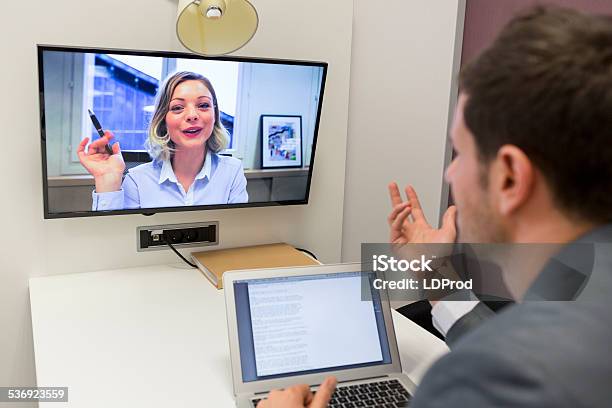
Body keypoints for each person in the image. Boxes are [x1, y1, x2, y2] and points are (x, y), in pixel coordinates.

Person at [259, 6, 612, 407]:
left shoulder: (479, 383)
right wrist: (435, 274)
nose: (450, 175)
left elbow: (507, 368)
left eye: (458, 152)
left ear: (510, 176)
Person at [77, 71, 248, 211]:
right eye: (177, 108)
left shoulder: (232, 172)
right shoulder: (138, 181)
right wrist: (108, 180)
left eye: (203, 105)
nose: (192, 115)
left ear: (214, 115)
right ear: (163, 120)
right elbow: (111, 242)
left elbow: (236, 235)